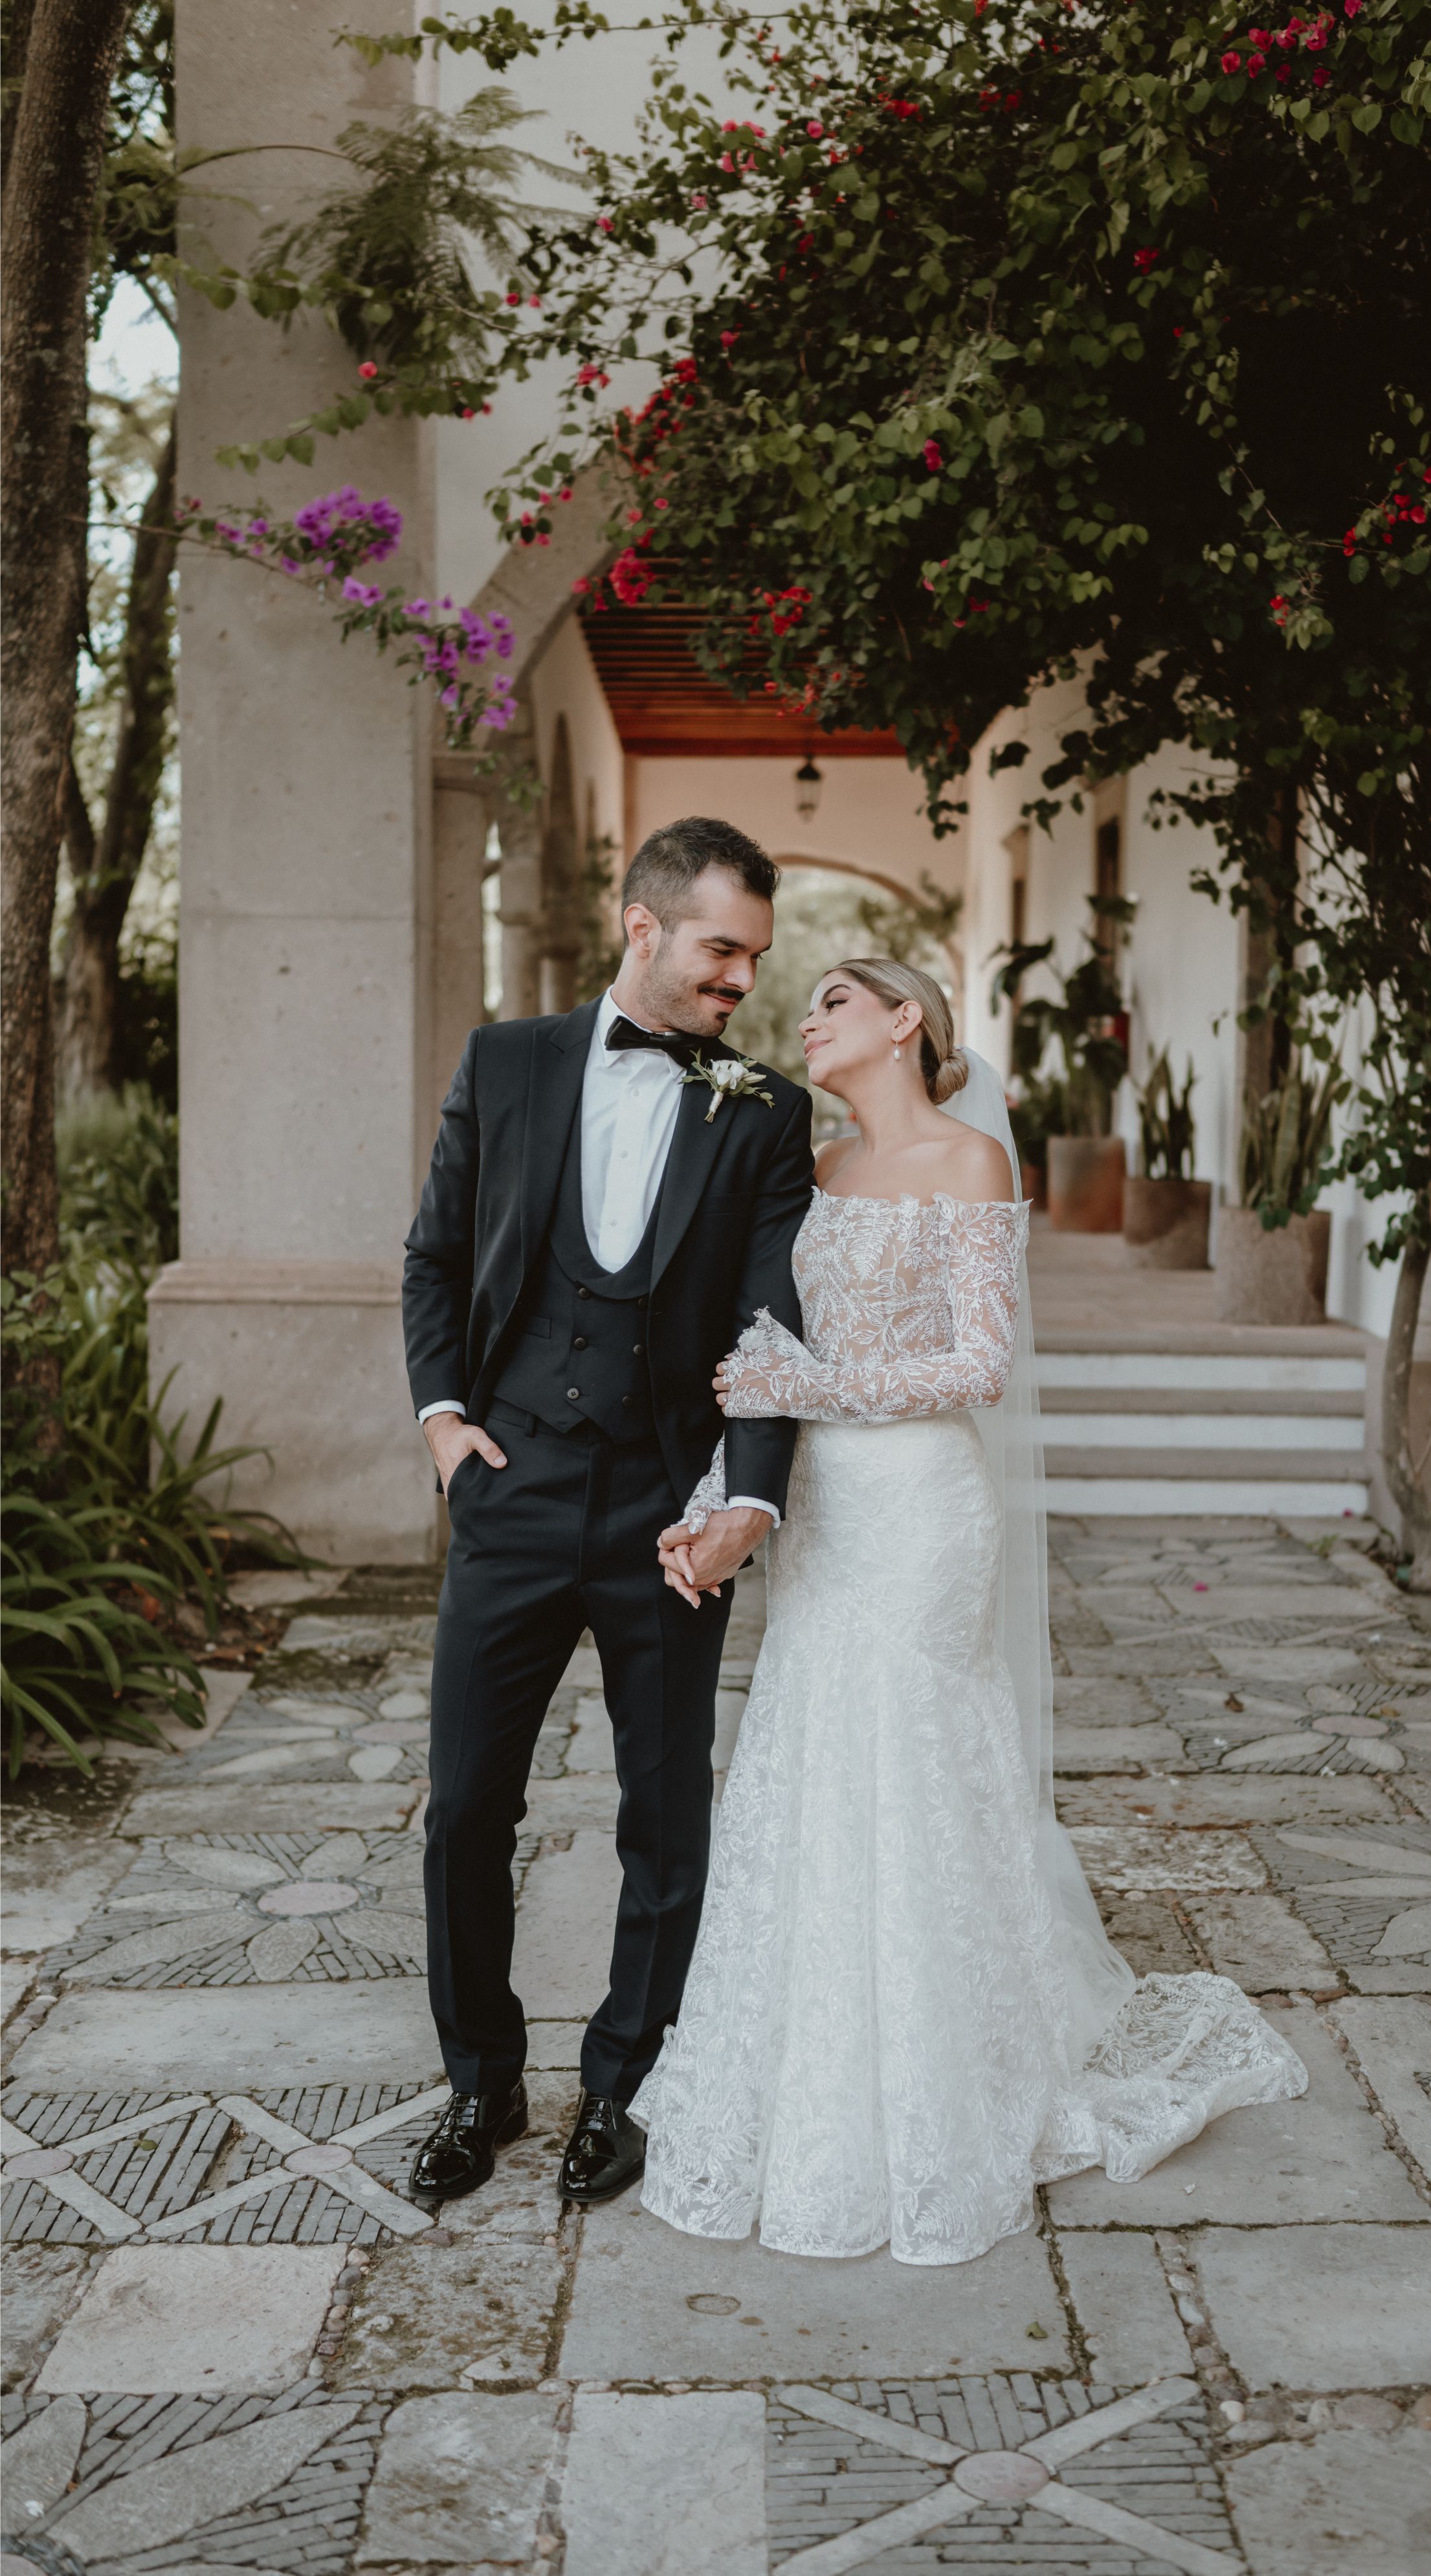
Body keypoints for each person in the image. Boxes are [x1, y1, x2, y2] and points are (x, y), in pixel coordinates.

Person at [638, 958, 1307, 2265]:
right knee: (816, 1760)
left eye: (835, 999)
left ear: (907, 1021)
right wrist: (720, 1501)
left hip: (920, 1510)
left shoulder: (967, 1161)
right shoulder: (814, 1169)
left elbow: (978, 1362)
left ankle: (951, 2078)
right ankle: (815, 2069)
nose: (805, 1017)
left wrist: (814, 1387)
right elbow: (765, 1359)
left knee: (916, 1766)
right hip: (820, 1511)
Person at [400, 817, 814, 2208]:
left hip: (667, 1508)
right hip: (509, 1490)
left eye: (754, 959)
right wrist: (444, 1424)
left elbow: (770, 1318)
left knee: (666, 1811)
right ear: (643, 927)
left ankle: (626, 2083)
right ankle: (481, 2080)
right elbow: (436, 1253)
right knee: (466, 1805)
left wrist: (747, 1494)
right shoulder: (505, 1061)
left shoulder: (764, 1109)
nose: (740, 980)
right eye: (720, 950)